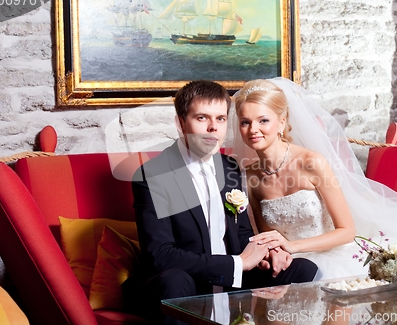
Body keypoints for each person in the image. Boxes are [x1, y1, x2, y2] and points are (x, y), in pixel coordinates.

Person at [230, 78, 397, 280]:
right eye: (245, 122)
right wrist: (276, 252)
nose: (253, 130)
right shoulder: (250, 174)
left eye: (263, 120)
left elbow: (347, 231)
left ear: (281, 122)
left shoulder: (311, 162)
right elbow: (268, 235)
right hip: (290, 265)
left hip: (334, 258)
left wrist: (292, 247)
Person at [125, 80, 318, 325]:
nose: (212, 128)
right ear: (180, 123)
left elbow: (243, 232)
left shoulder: (231, 168)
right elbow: (160, 256)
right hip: (185, 281)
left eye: (220, 119)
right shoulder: (153, 175)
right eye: (202, 118)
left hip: (230, 278)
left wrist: (266, 254)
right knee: (174, 280)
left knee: (301, 269)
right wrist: (237, 263)